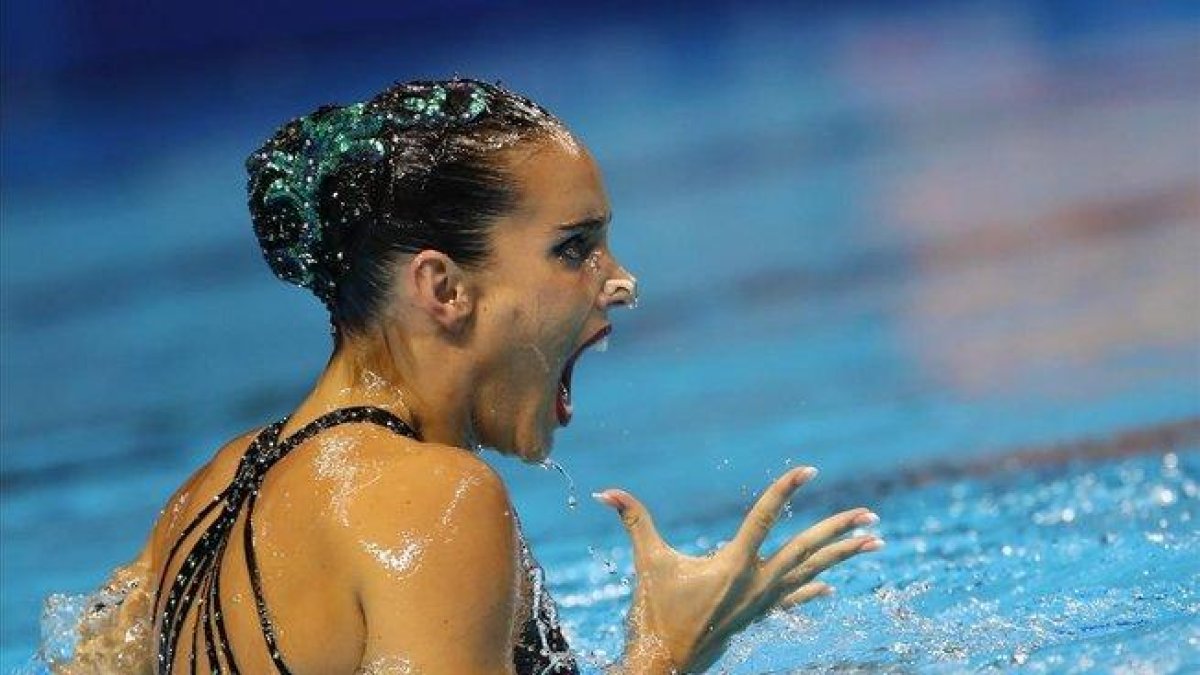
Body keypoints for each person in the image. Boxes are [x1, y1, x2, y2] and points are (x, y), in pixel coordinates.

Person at [54, 78, 883, 674]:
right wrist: (665, 652)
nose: (620, 279)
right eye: (573, 248)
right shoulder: (438, 501)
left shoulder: (199, 504)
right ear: (443, 288)